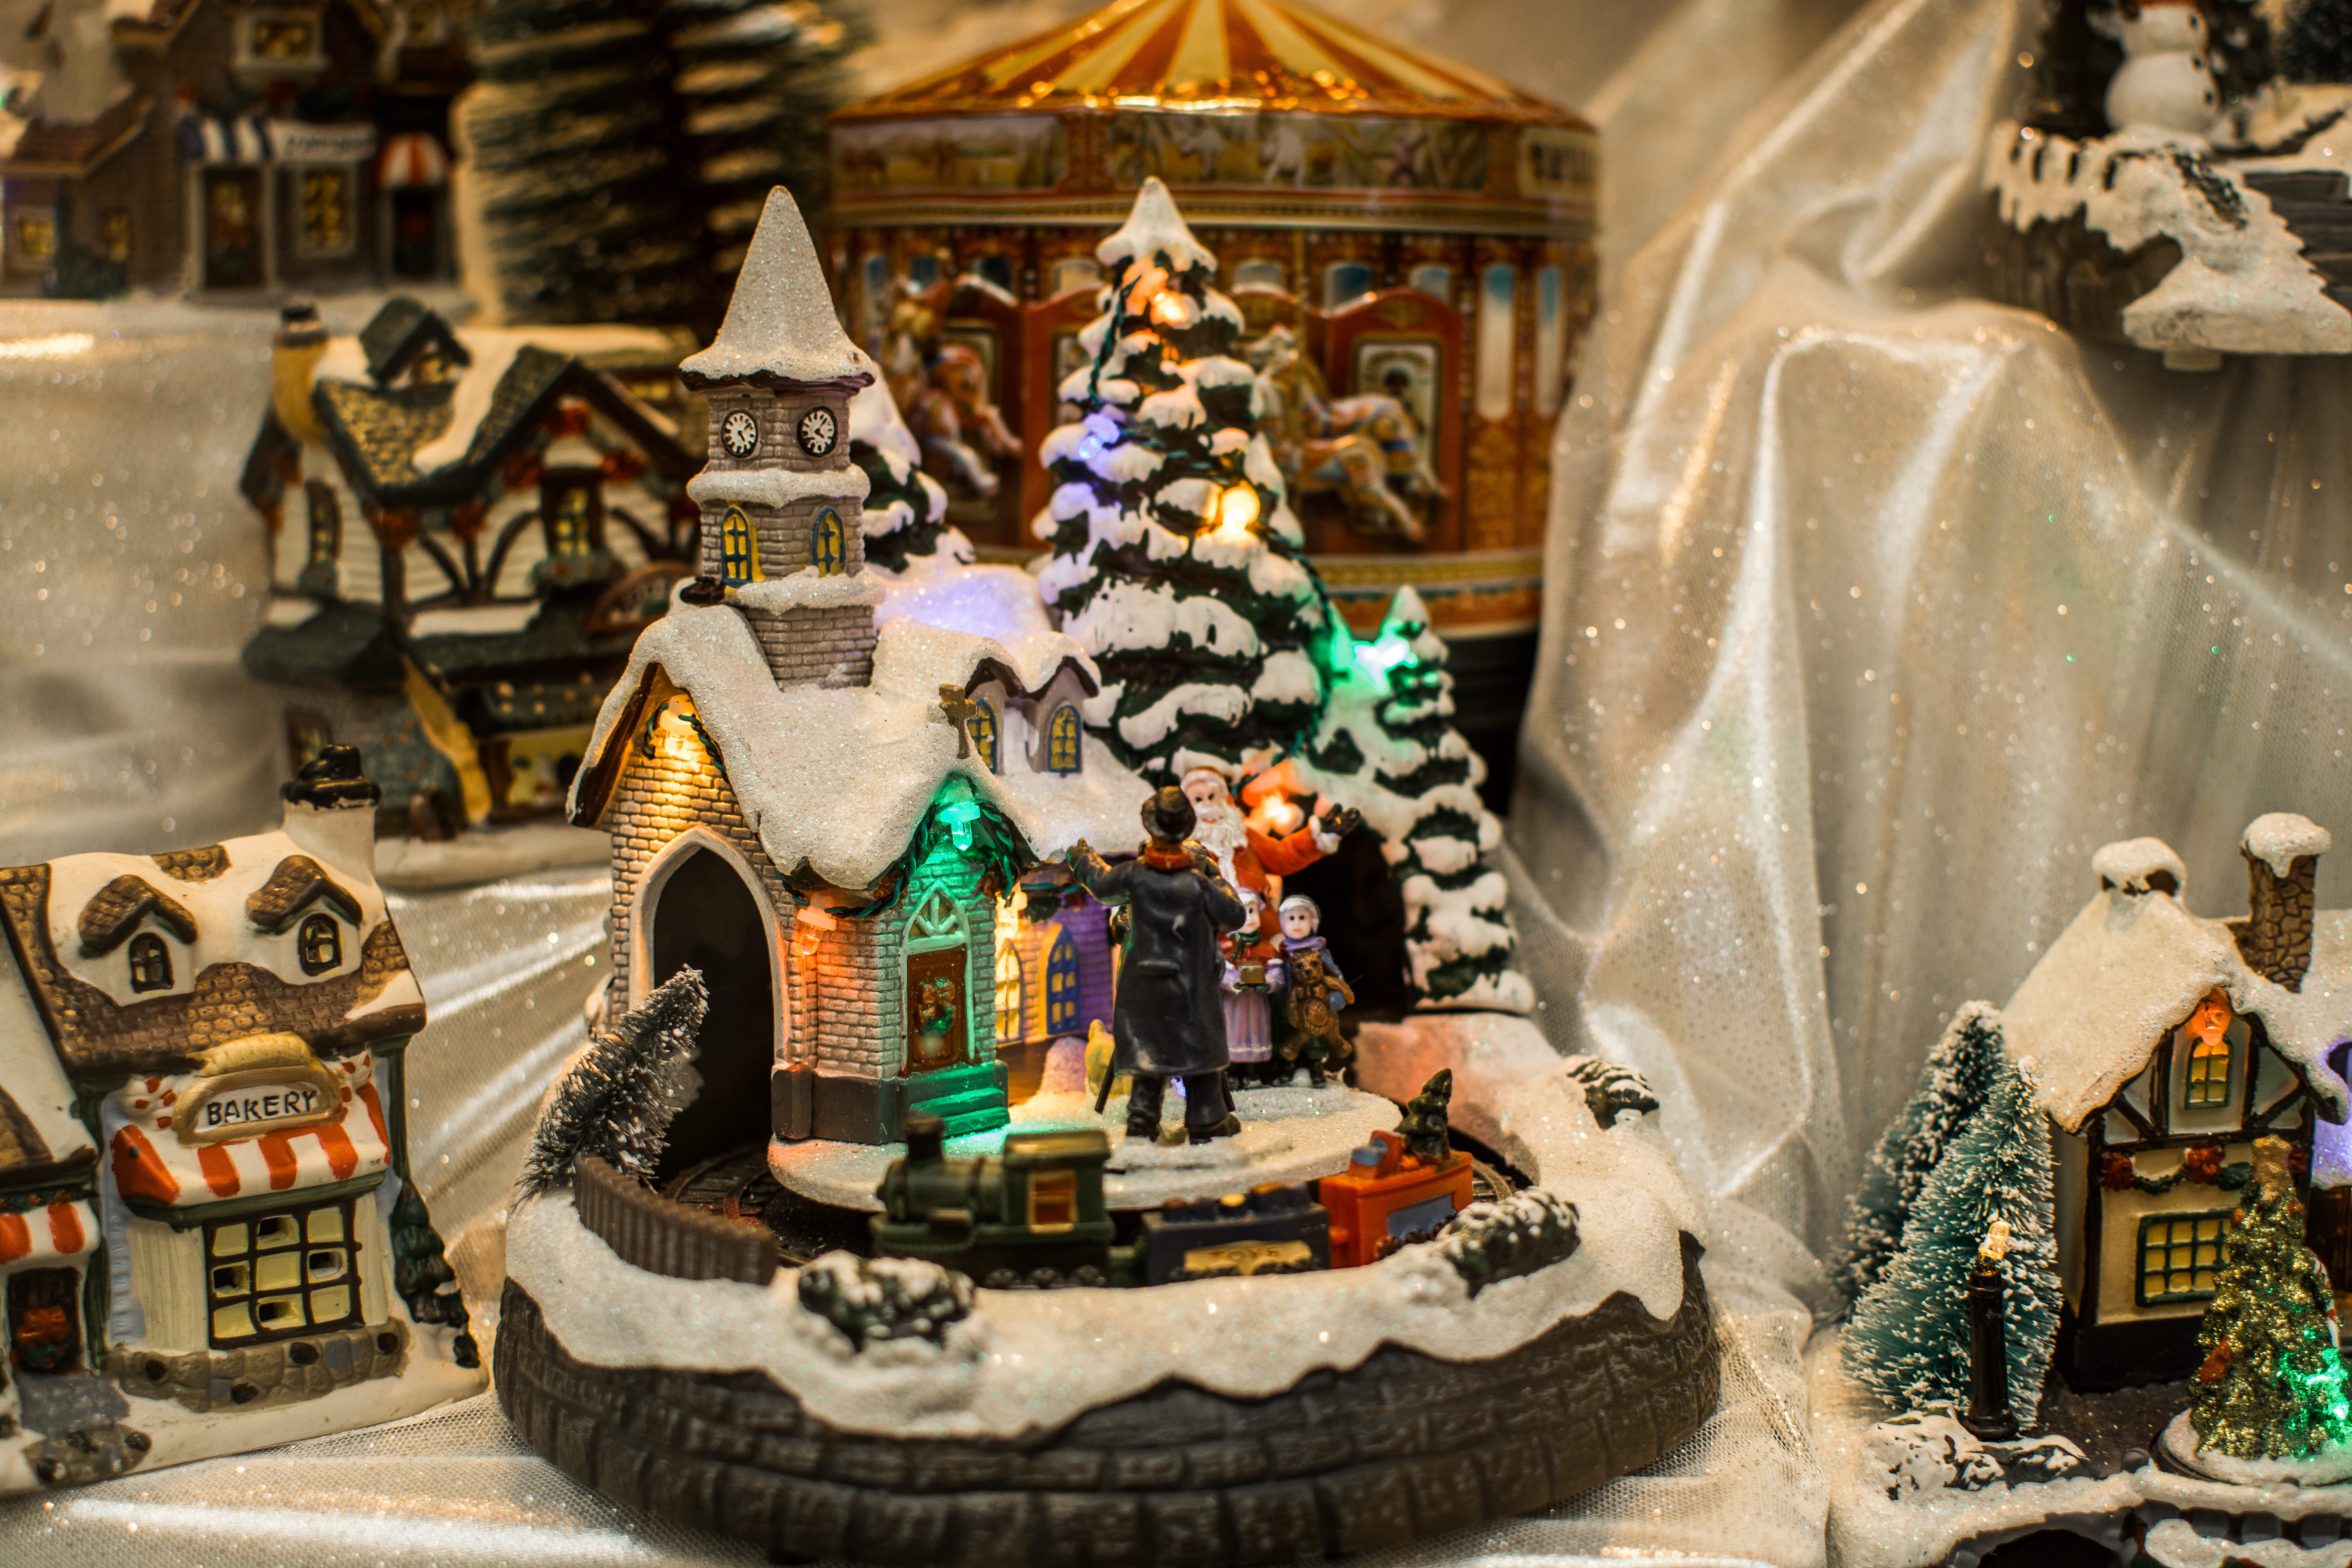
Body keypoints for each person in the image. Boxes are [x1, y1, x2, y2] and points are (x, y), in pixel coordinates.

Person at [1067, 786, 1247, 1143]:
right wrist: (1214, 876)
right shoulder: (1198, 883)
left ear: (1149, 826)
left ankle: (1142, 1120)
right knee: (1198, 1050)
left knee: (1149, 1052)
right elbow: (1234, 915)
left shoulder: (1134, 875)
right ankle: (1206, 1121)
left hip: (1145, 984)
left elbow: (1102, 885)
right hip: (1190, 985)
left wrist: (1082, 859)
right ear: (1188, 828)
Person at [1274, 893, 1354, 1087]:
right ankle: (1288, 1068)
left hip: (1316, 1007)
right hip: (1288, 1007)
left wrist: (1333, 1001)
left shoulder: (1319, 952)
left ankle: (1315, 1067)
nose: (1297, 924)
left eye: (1302, 918)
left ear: (1313, 922)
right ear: (1282, 923)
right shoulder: (1281, 952)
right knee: (1288, 1038)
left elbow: (1336, 978)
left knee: (1316, 1040)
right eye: (1291, 918)